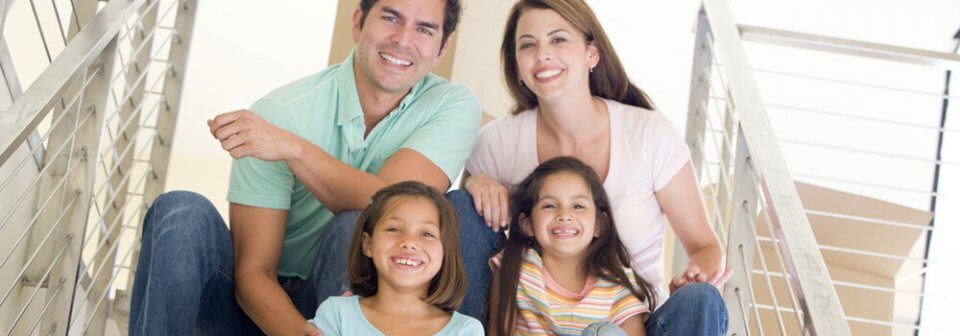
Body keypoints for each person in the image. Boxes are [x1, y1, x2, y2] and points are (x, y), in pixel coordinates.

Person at [127, 0, 501, 334]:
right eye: (391, 17)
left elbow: (387, 203)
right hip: (255, 305)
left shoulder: (451, 105)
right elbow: (254, 273)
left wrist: (293, 149)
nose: (403, 40)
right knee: (180, 211)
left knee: (357, 223)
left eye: (424, 29)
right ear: (358, 23)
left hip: (351, 309)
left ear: (442, 49)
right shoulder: (280, 112)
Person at [464, 0, 731, 334]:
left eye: (558, 39)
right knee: (460, 206)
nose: (543, 54)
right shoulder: (497, 141)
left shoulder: (649, 134)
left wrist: (695, 277)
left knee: (699, 299)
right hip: (536, 323)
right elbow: (463, 231)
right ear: (517, 66)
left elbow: (705, 246)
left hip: (634, 324)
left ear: (592, 53)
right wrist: (474, 184)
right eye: (528, 44)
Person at [489, 157, 657, 336]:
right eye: (550, 205)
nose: (564, 215)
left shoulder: (616, 285)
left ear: (599, 224)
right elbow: (497, 332)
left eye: (578, 206)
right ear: (527, 224)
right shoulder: (515, 266)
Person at [307, 181, 483, 335]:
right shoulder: (337, 314)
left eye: (427, 234)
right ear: (368, 244)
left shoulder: (465, 330)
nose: (409, 242)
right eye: (394, 229)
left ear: (446, 252)